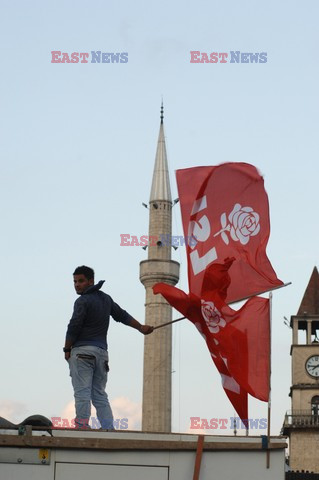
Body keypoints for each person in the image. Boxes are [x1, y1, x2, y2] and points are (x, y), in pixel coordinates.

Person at [64, 265, 154, 429]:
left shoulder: (82, 301)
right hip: (101, 354)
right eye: (75, 281)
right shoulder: (106, 299)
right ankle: (107, 427)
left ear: (90, 281)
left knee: (82, 391)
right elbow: (122, 315)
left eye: (81, 281)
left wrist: (66, 348)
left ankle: (82, 426)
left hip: (82, 352)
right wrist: (141, 327)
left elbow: (74, 325)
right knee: (99, 393)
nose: (77, 285)